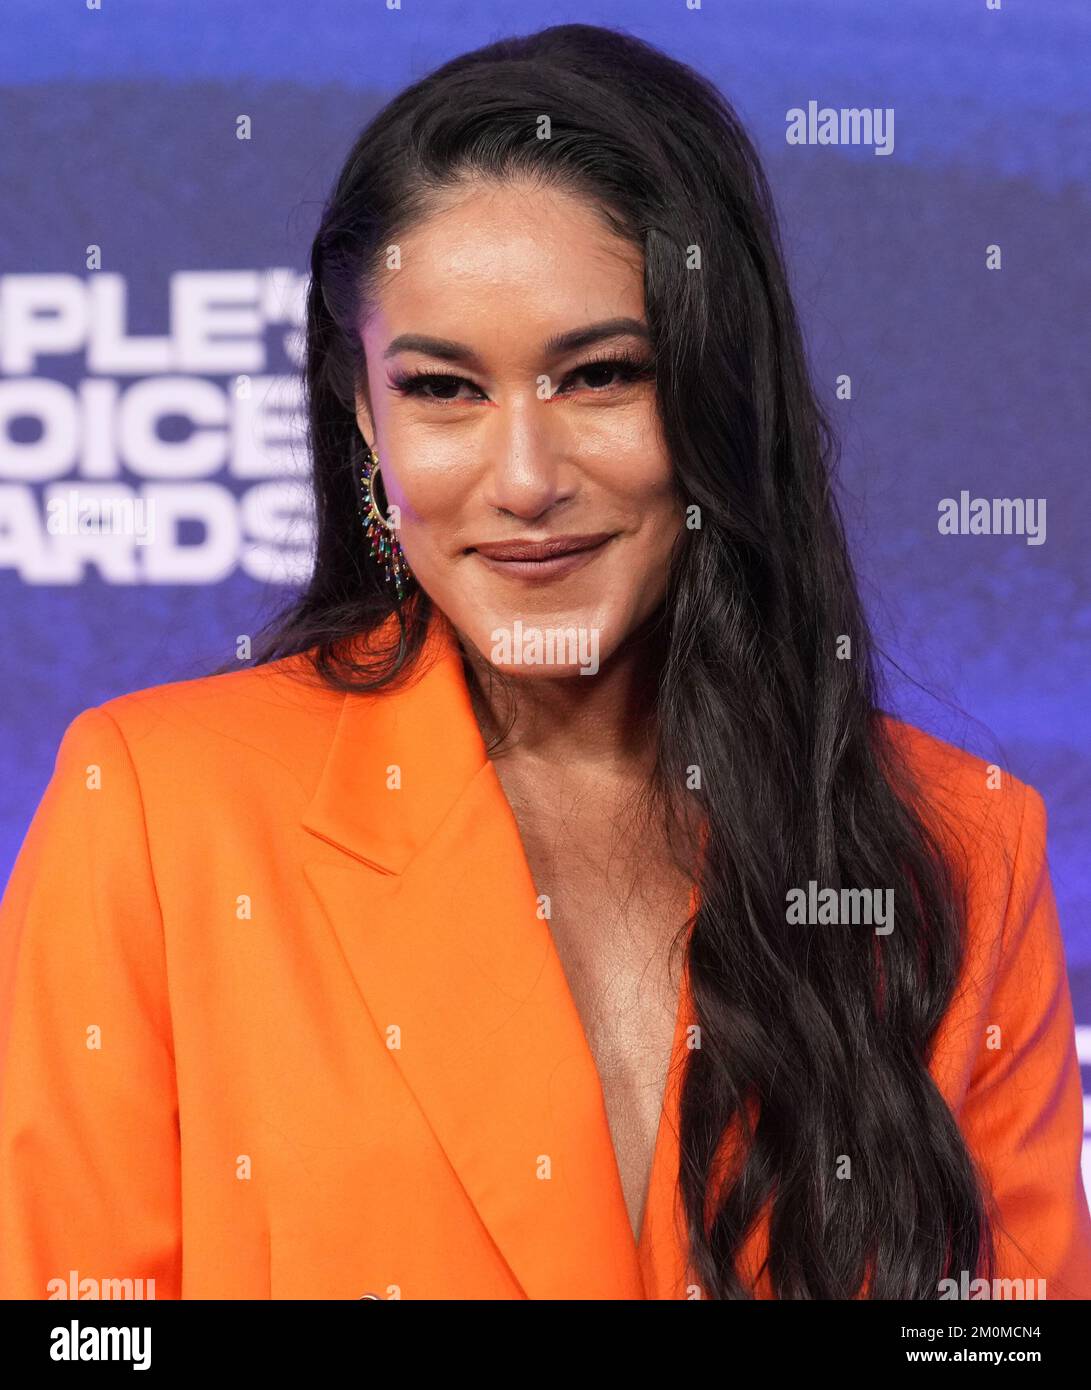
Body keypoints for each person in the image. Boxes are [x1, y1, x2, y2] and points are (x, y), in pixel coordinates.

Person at [2, 23, 1089, 1301]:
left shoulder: (960, 845)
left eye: (599, 377)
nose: (523, 481)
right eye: (445, 391)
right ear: (364, 417)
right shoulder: (154, 805)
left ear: (715, 389)